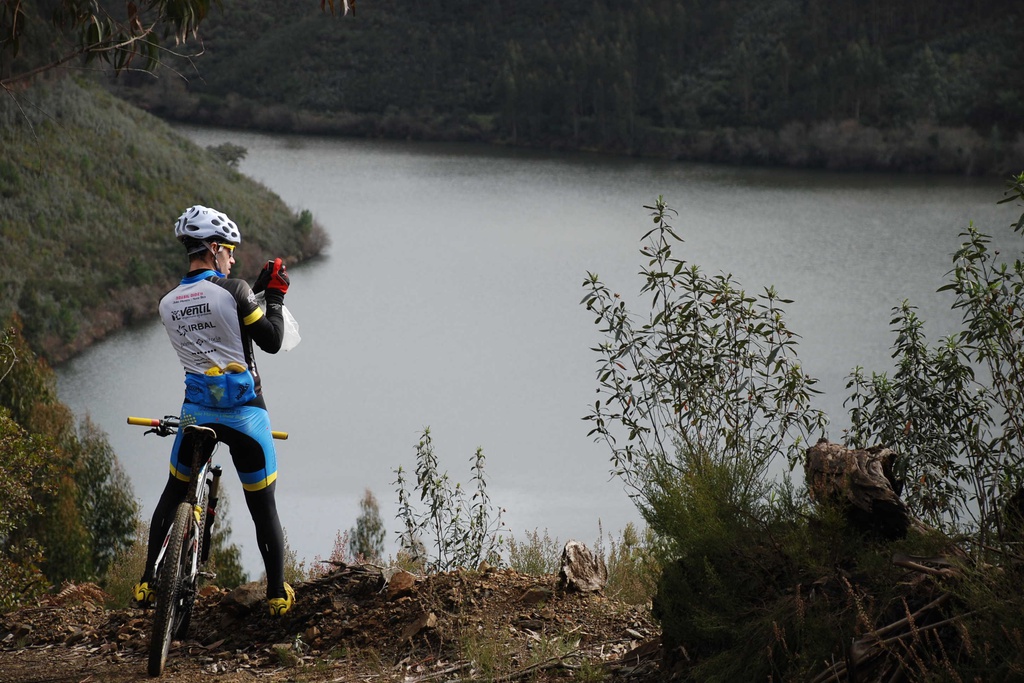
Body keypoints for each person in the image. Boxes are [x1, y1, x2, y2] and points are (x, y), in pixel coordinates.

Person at [133, 205, 295, 616]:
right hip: (245, 414)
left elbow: (213, 322)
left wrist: (249, 291)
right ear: (215, 248)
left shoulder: (167, 303)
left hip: (195, 413)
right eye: (230, 250)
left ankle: (148, 584)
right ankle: (276, 594)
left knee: (173, 492)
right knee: (263, 507)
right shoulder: (236, 290)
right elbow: (271, 339)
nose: (234, 258)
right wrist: (273, 295)